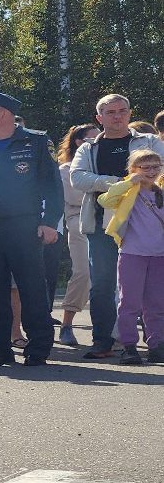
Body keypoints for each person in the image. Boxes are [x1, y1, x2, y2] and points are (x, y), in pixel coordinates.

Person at [0, 90, 63, 366]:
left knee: (32, 288)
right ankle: (0, 346)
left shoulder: (37, 141)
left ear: (3, 114)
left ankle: (39, 347)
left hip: (25, 226)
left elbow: (52, 187)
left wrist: (49, 222)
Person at [68, 94, 163, 359]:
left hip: (146, 228)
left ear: (130, 113)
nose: (117, 116)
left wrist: (144, 180)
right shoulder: (89, 148)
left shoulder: (150, 141)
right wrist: (123, 182)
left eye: (122, 110)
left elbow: (162, 170)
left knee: (152, 290)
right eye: (110, 112)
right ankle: (103, 342)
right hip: (103, 223)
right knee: (103, 284)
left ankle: (156, 344)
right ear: (99, 118)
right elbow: (78, 178)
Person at [96, 149, 164, 364]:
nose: (152, 171)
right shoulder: (129, 191)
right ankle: (129, 346)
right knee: (129, 303)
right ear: (134, 169)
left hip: (159, 255)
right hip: (132, 253)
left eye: (156, 166)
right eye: (146, 167)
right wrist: (128, 181)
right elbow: (105, 200)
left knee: (156, 304)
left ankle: (156, 345)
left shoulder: (161, 190)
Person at [55, 123, 103, 345]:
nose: (95, 143)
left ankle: (113, 332)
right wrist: (104, 184)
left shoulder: (103, 162)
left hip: (110, 218)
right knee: (83, 272)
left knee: (113, 277)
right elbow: (76, 199)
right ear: (78, 142)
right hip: (79, 220)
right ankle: (66, 323)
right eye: (90, 139)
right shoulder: (65, 170)